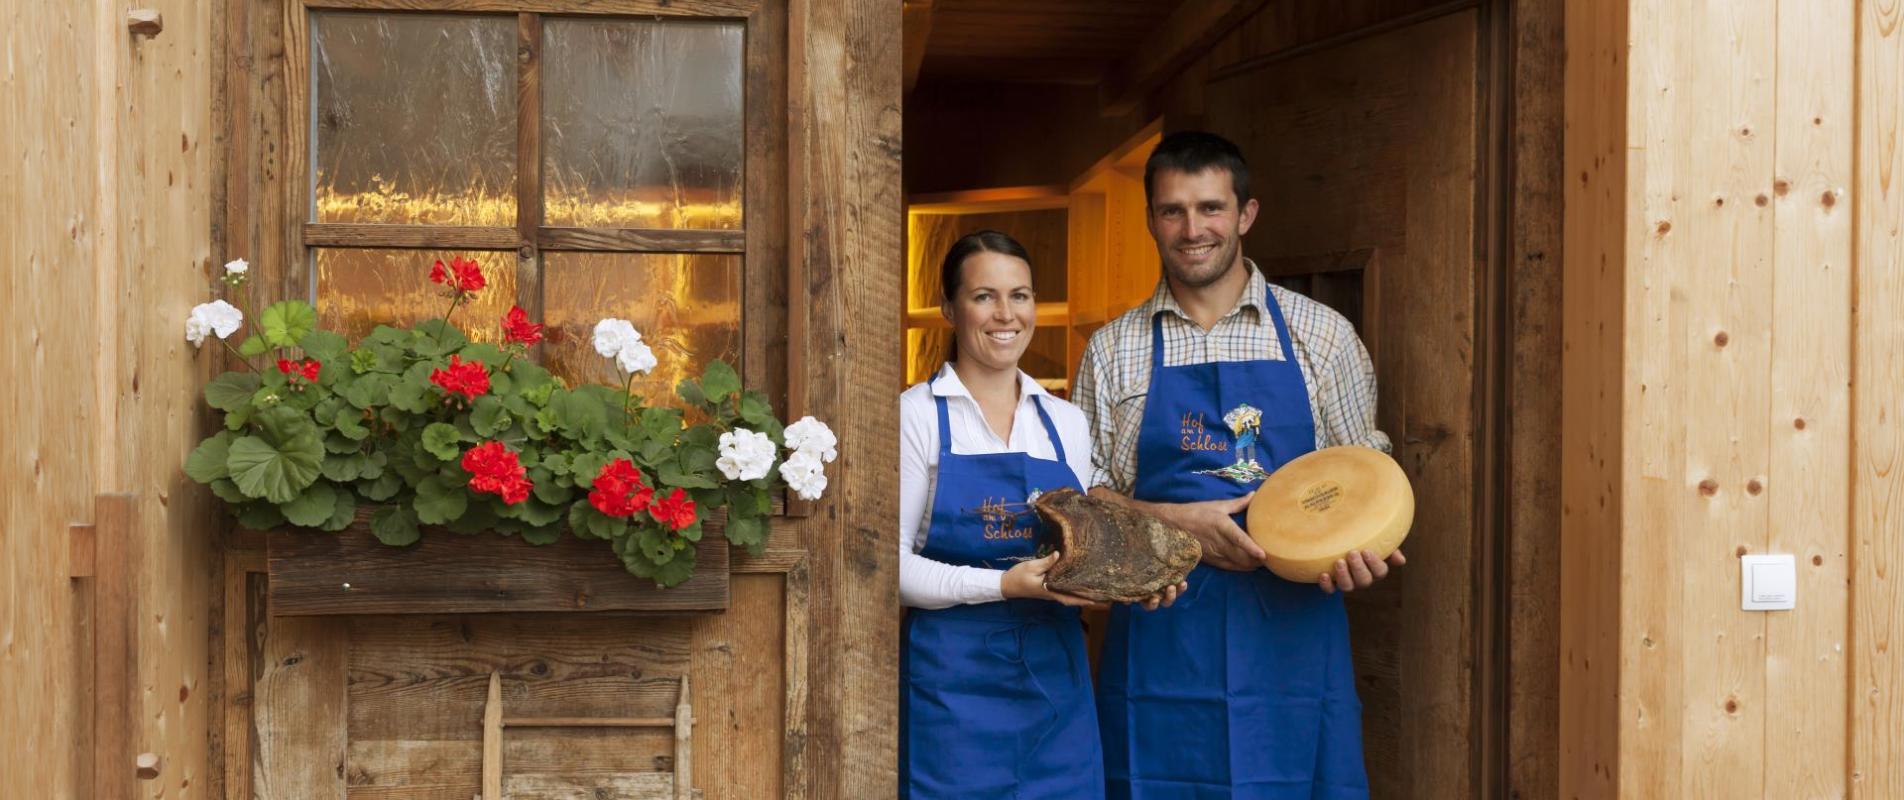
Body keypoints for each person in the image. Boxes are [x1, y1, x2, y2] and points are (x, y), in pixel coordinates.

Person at [1074, 131, 1407, 799]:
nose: (1192, 228)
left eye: (1210, 208)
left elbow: (1362, 475)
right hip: (1160, 640)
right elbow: (1083, 503)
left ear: (1246, 214)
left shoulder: (1322, 336)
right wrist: (1175, 522)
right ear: (1151, 221)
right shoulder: (1113, 351)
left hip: (1293, 641)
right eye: (1172, 210)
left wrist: (1367, 545)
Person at [900, 230, 1182, 799]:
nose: (1006, 314)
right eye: (984, 297)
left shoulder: (1064, 422)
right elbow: (892, 570)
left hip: (1055, 685)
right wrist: (1004, 584)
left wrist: (1134, 584)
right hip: (952, 690)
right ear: (949, 309)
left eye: (1020, 295)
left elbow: (1078, 562)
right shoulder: (917, 415)